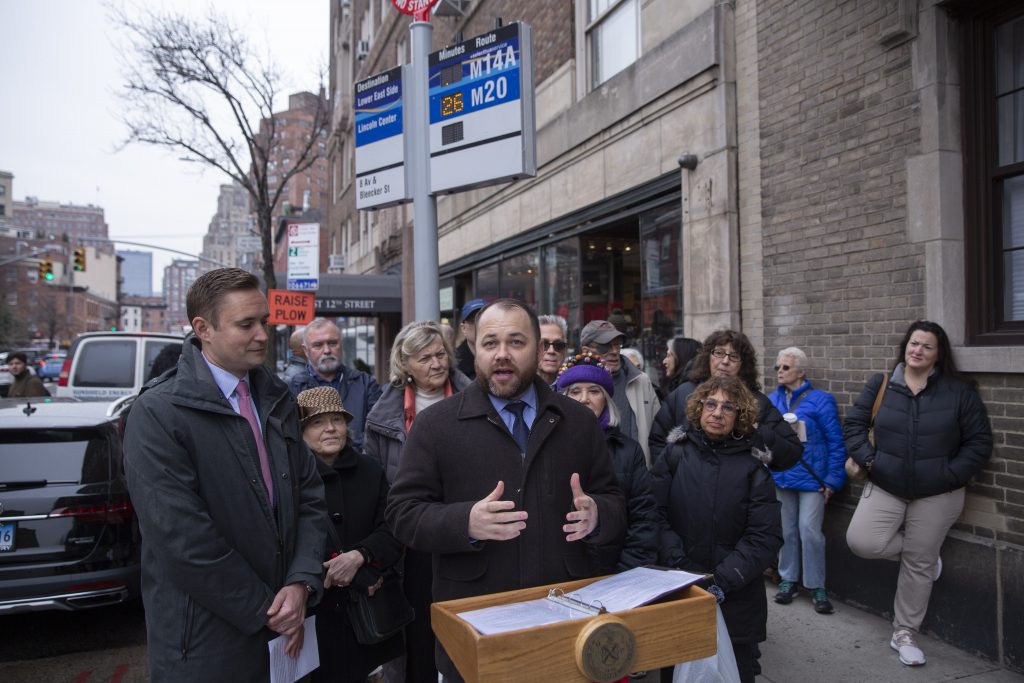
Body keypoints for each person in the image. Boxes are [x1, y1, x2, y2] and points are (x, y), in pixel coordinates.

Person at [386, 299, 626, 682]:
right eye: (490, 343)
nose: (501, 354)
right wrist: (465, 521)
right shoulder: (436, 426)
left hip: (564, 623)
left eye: (516, 342)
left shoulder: (578, 422)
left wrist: (598, 514)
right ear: (474, 349)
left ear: (539, 349)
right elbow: (402, 513)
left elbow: (615, 502)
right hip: (475, 626)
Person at [122, 267, 327, 681]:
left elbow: (309, 497)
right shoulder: (158, 413)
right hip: (206, 644)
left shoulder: (277, 397)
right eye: (246, 325)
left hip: (286, 631)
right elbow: (182, 538)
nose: (262, 335)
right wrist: (267, 609)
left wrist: (302, 583)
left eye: (264, 321)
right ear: (203, 329)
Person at [844, 321, 992, 667]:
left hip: (938, 492)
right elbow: (853, 426)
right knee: (862, 541)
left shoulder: (959, 392)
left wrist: (949, 475)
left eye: (927, 346)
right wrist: (871, 460)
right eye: (914, 343)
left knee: (919, 563)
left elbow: (979, 442)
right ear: (905, 346)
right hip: (886, 483)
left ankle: (904, 632)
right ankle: (922, 557)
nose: (918, 351)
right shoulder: (882, 384)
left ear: (939, 354)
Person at [651, 375, 783, 683]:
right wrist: (680, 566)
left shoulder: (753, 468)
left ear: (740, 415)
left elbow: (765, 535)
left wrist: (722, 581)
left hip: (736, 599)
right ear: (699, 408)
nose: (717, 412)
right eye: (710, 404)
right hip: (679, 589)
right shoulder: (674, 455)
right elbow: (653, 514)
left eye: (728, 407)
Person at [364, 320, 472, 683]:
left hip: (465, 531)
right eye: (425, 358)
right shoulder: (382, 416)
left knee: (462, 627)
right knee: (420, 632)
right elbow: (377, 485)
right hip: (411, 542)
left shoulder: (475, 398)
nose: (437, 364)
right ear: (405, 364)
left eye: (441, 354)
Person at [297, 387, 403, 683]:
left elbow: (393, 528)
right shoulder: (290, 477)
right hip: (313, 615)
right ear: (301, 432)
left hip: (365, 616)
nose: (330, 428)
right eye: (317, 422)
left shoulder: (370, 471)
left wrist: (362, 557)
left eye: (337, 420)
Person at [556, 352, 658, 573]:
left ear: (606, 400)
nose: (584, 398)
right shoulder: (547, 447)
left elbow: (644, 520)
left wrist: (624, 575)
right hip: (559, 574)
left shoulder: (628, 451)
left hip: (614, 572)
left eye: (594, 391)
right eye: (575, 391)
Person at [649, 329, 802, 473]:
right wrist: (672, 474)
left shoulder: (757, 403)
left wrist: (758, 431)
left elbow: (792, 452)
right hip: (686, 485)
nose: (725, 361)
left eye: (734, 356)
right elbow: (657, 440)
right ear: (708, 357)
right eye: (719, 353)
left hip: (737, 488)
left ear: (743, 364)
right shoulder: (683, 394)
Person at [768, 347, 847, 615]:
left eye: (785, 367)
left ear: (801, 371)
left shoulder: (821, 400)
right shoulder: (772, 400)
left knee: (809, 531)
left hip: (813, 479)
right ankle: (788, 580)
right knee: (786, 531)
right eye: (777, 367)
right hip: (782, 476)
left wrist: (832, 481)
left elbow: (836, 442)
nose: (779, 371)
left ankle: (816, 586)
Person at [288, 317, 382, 453]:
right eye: (318, 345)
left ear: (341, 345)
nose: (327, 350)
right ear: (306, 350)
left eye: (332, 343)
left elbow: (378, 430)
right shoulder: (292, 389)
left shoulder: (365, 384)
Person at [580, 320, 661, 467]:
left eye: (617, 345)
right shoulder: (573, 386)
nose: (614, 351)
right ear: (586, 351)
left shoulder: (641, 381)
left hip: (638, 474)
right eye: (606, 346)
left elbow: (658, 433)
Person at [454, 298, 485, 381]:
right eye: (472, 321)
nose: (479, 325)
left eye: (483, 320)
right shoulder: (454, 365)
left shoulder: (503, 355)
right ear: (463, 328)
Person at [537, 314, 569, 386]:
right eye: (544, 344)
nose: (551, 351)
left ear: (565, 351)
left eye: (558, 345)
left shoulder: (574, 388)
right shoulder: (518, 387)